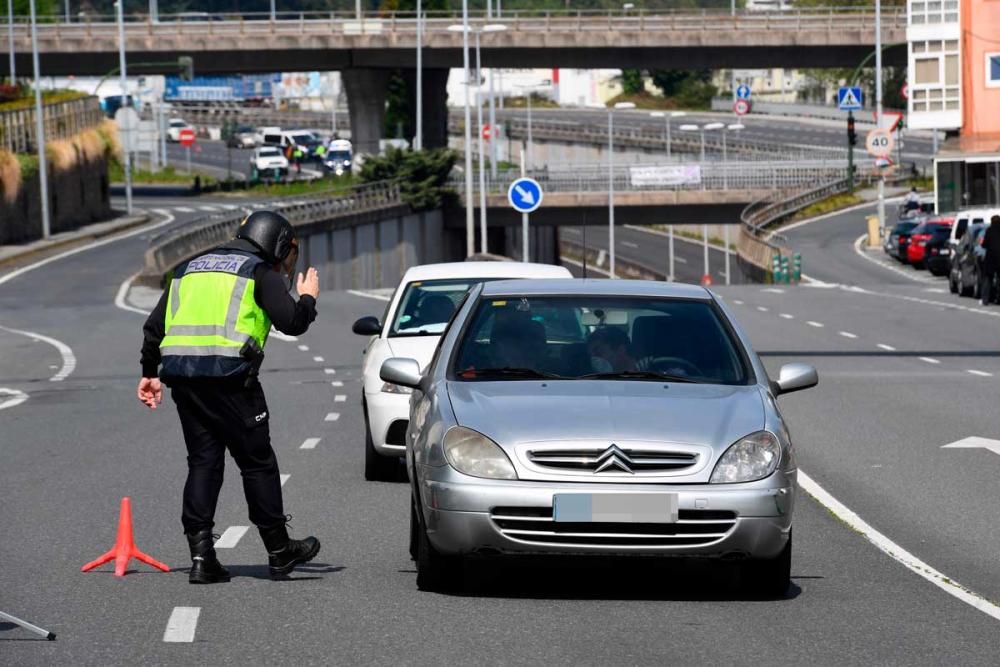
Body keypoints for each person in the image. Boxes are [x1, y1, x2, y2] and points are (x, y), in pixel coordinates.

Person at [137, 211, 322, 584]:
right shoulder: (258, 272)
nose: (286, 262)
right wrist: (306, 298)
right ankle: (278, 550)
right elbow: (293, 322)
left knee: (203, 463)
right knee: (257, 464)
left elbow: (156, 326)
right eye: (286, 252)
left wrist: (148, 372)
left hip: (185, 381)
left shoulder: (188, 269)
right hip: (232, 381)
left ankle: (202, 557)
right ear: (276, 243)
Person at [980, 215, 1000, 306]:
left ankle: (985, 300)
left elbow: (984, 244)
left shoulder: (989, 230)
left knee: (987, 278)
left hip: (991, 258)